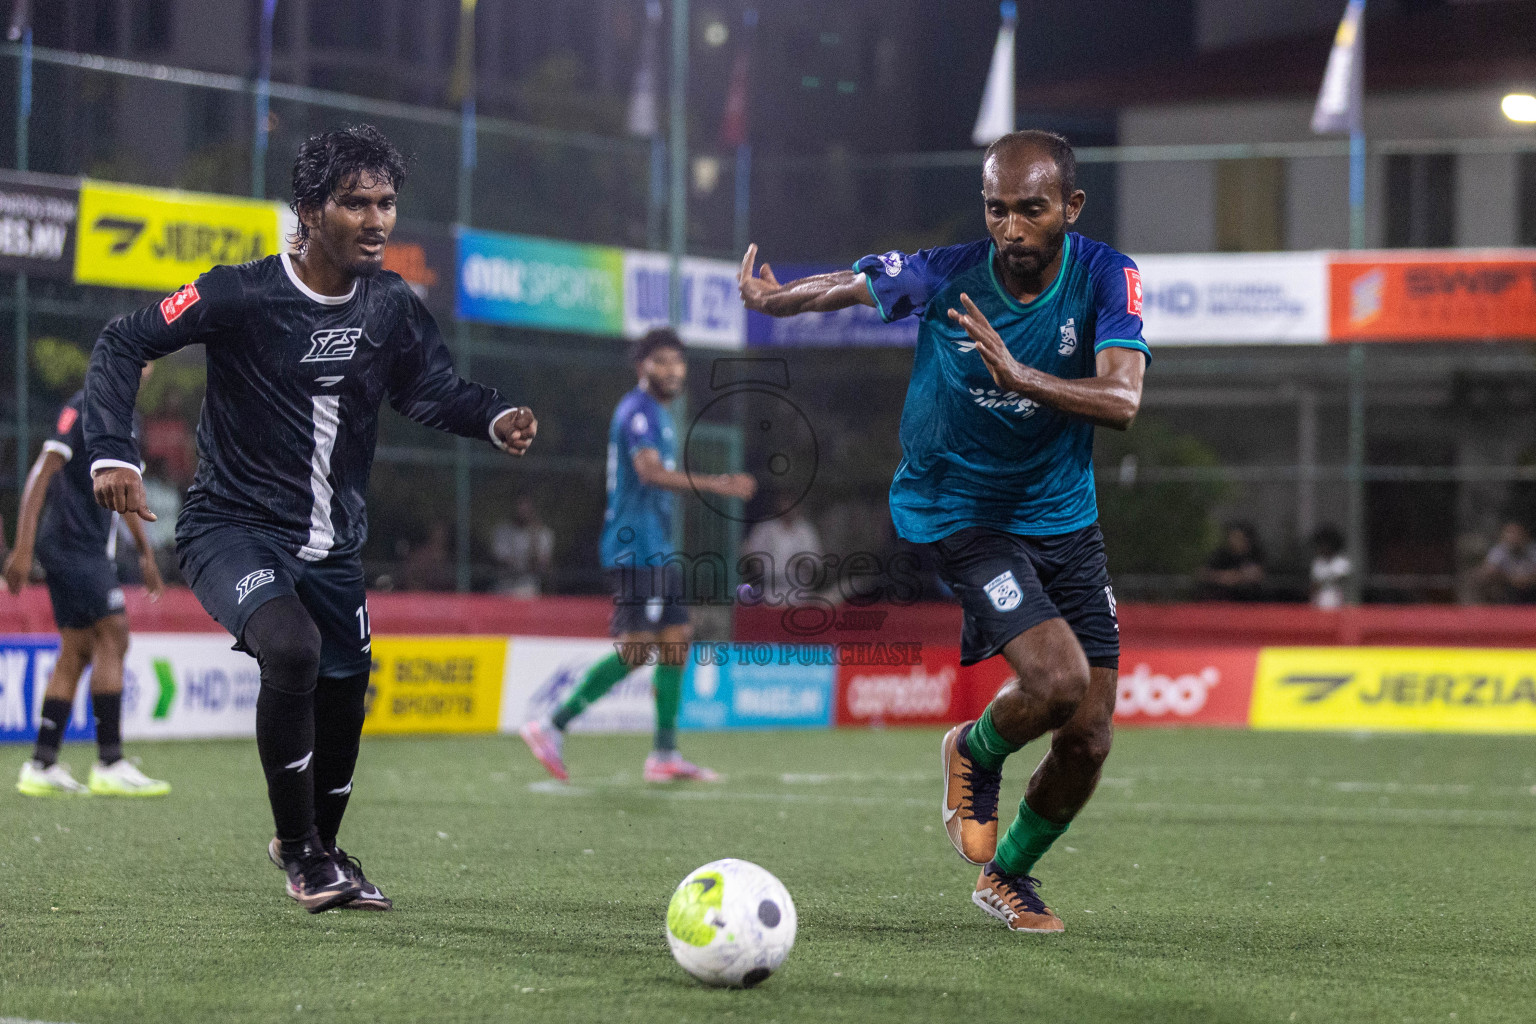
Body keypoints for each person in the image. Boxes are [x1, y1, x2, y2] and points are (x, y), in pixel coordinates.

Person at [83, 125, 537, 913]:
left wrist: (493, 416)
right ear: (308, 210)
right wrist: (112, 454)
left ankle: (323, 850)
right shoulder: (239, 294)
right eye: (354, 203)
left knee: (345, 690)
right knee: (291, 650)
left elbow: (429, 389)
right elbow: (124, 341)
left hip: (334, 548)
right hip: (230, 528)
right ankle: (299, 853)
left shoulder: (391, 304)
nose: (376, 220)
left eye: (387, 203)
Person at [738, 129, 1149, 934]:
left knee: (1090, 737)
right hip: (961, 514)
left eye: (1031, 209)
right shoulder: (950, 273)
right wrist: (778, 298)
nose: (1011, 228)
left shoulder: (1108, 274)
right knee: (1057, 682)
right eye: (996, 209)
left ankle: (1010, 877)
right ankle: (976, 750)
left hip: (1065, 520)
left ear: (1071, 207)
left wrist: (1021, 376)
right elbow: (849, 283)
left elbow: (1123, 400)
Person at [520, 328, 756, 783]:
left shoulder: (662, 415)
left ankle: (664, 754)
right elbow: (649, 473)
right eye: (661, 361)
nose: (671, 370)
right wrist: (717, 484)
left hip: (656, 548)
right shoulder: (637, 412)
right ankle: (551, 724)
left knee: (676, 640)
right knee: (637, 648)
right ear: (641, 366)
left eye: (678, 362)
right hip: (635, 546)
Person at [5, 374, 169, 798]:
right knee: (115, 633)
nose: (142, 369)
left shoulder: (127, 417)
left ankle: (41, 764)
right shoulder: (84, 405)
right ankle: (110, 762)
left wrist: (145, 553)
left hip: (89, 547)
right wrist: (22, 548)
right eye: (136, 358)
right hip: (70, 544)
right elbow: (43, 469)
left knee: (77, 650)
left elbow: (125, 492)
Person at [740, 489, 824, 604]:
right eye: (785, 502)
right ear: (778, 504)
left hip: (799, 592)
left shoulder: (806, 530)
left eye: (792, 503)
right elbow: (748, 554)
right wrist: (759, 565)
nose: (788, 507)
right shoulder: (765, 528)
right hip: (769, 591)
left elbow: (817, 564)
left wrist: (803, 561)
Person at [491, 495, 555, 596]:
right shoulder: (503, 531)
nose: (522, 510)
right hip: (505, 585)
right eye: (520, 506)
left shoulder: (543, 533)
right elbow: (500, 559)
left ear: (532, 509)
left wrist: (534, 538)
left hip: (528, 586)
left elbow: (543, 563)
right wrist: (521, 564)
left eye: (526, 507)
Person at [1198, 523, 1266, 601]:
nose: (1234, 540)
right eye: (1232, 537)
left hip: (1249, 601)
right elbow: (1203, 572)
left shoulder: (1255, 554)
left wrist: (1237, 577)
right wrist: (1221, 577)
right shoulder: (1221, 554)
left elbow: (1258, 574)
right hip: (1221, 600)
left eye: (1238, 537)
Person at [1476, 520, 1536, 602]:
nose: (1514, 538)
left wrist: (1526, 579)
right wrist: (1511, 579)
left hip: (1531, 586)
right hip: (1507, 588)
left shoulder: (1532, 549)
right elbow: (1489, 569)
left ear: (1524, 535)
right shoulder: (1499, 550)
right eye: (1510, 534)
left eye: (1517, 533)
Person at [1309, 525, 1351, 610]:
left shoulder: (1342, 563)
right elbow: (1314, 585)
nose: (1322, 548)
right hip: (1320, 605)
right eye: (1320, 544)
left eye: (1325, 544)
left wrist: (1324, 580)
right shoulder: (1318, 563)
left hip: (1338, 606)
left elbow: (1342, 580)